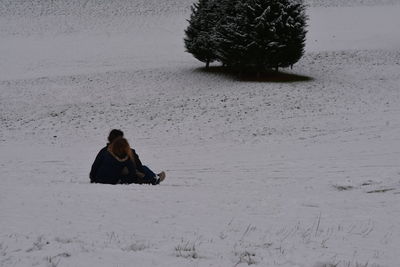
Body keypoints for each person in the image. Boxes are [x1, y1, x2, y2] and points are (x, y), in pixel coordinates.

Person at [90, 129, 165, 185]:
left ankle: (153, 176)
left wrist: (93, 179)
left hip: (99, 179)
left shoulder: (103, 151)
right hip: (115, 179)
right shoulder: (128, 152)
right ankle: (155, 178)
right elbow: (137, 168)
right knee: (141, 170)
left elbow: (95, 167)